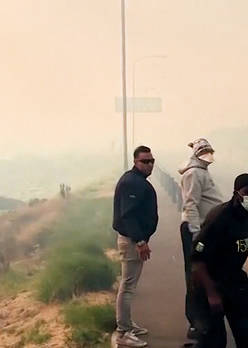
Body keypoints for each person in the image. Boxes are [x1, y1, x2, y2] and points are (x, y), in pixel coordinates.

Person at [190, 173, 248, 348]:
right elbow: (197, 259)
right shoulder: (219, 218)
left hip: (235, 280)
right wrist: (212, 293)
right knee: (213, 341)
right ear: (237, 193)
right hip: (208, 282)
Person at [112, 145, 159, 348]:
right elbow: (128, 215)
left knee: (129, 285)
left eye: (151, 161)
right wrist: (140, 241)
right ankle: (123, 333)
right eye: (144, 161)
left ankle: (127, 324)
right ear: (135, 162)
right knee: (128, 286)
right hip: (132, 242)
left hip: (135, 240)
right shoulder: (133, 183)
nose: (149, 165)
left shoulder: (136, 180)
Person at [178, 138, 225, 340]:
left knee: (203, 274)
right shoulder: (193, 173)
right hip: (195, 230)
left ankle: (203, 320)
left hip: (205, 228)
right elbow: (191, 204)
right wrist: (197, 233)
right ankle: (197, 323)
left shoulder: (202, 171)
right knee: (195, 276)